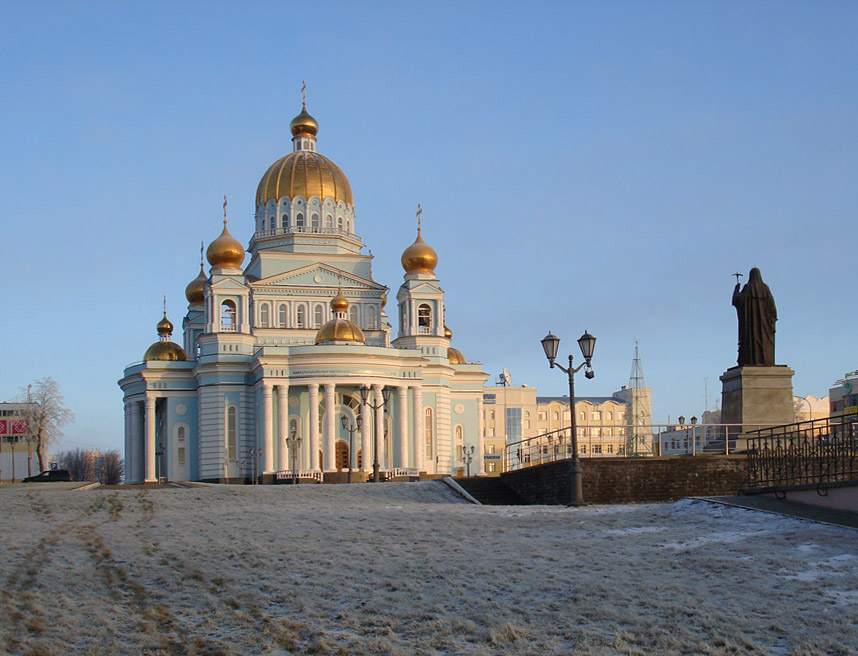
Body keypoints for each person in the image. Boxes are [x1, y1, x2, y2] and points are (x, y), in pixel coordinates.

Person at [732, 268, 777, 366]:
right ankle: (765, 361)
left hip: (750, 327)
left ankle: (752, 360)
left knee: (752, 343)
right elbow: (772, 306)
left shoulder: (748, 288)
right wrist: (772, 319)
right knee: (764, 343)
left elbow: (738, 301)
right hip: (765, 326)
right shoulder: (765, 289)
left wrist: (736, 290)